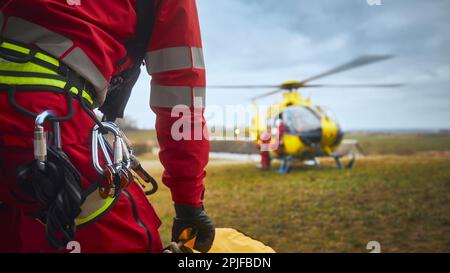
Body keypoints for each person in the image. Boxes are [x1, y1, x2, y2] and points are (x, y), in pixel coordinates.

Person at [0, 0, 214, 253]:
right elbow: (182, 100)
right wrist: (189, 203)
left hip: (37, 117)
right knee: (129, 240)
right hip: (48, 117)